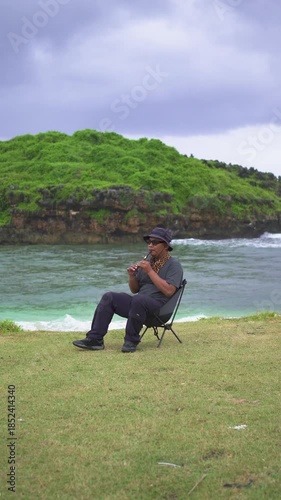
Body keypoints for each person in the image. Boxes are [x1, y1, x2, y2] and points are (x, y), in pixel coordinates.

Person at [72, 227, 183, 353]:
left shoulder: (174, 265)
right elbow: (135, 290)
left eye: (155, 243)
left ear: (166, 246)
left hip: (160, 310)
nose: (150, 246)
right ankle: (95, 339)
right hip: (139, 305)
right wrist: (132, 276)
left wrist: (149, 271)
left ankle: (131, 341)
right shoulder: (148, 262)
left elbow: (169, 291)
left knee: (139, 299)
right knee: (110, 297)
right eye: (149, 242)